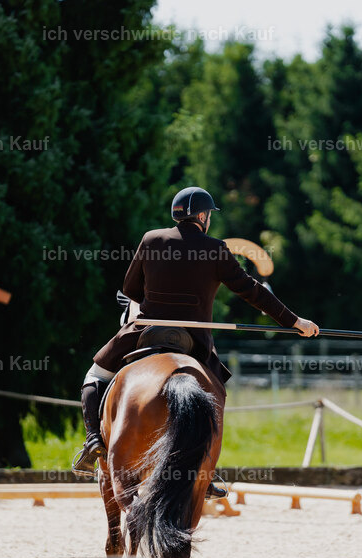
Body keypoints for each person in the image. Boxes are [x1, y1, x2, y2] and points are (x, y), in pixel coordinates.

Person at [74, 186, 319, 484]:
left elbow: (130, 291)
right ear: (202, 216)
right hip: (195, 341)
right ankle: (206, 469)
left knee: (95, 376)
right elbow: (252, 292)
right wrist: (294, 321)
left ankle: (92, 442)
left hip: (145, 331)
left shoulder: (151, 239)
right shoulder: (216, 249)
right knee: (215, 394)